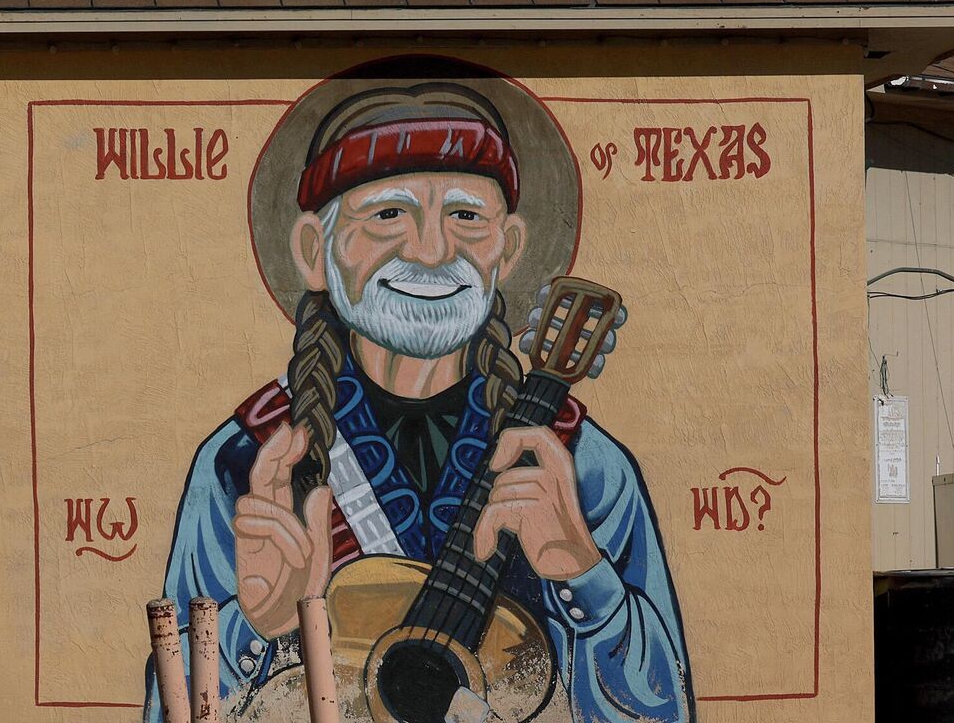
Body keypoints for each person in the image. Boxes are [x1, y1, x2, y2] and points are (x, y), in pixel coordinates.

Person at [148, 75, 692, 722]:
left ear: (507, 248)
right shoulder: (248, 459)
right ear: (313, 252)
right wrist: (256, 627)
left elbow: (666, 711)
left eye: (465, 216)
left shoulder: (576, 463)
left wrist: (583, 576)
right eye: (387, 215)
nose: (432, 250)